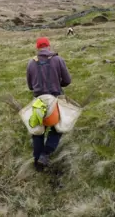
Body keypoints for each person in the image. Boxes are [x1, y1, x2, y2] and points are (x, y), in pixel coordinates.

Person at [26, 37, 71, 171]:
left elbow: (30, 87)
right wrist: (58, 83)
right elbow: (67, 80)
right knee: (58, 128)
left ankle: (37, 161)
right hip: (55, 100)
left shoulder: (30, 63)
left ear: (37, 48)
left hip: (38, 101)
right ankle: (45, 154)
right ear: (49, 47)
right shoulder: (58, 60)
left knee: (38, 131)